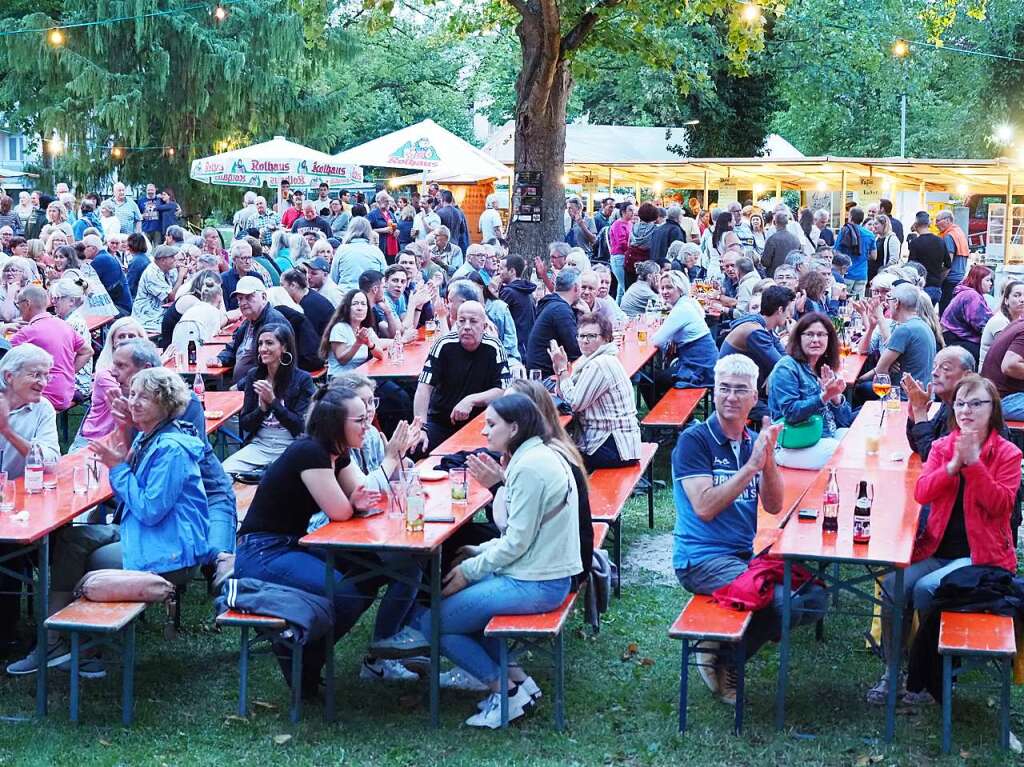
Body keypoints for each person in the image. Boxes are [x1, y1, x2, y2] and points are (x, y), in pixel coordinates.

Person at [381, 393, 581, 727]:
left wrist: (469, 571)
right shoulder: (535, 456)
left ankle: (505, 692)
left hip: (539, 583)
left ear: (514, 428)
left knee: (435, 624)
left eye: (491, 424)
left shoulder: (530, 467)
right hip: (537, 573)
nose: (484, 432)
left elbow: (517, 541)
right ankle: (518, 682)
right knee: (455, 615)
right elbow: (523, 536)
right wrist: (481, 551)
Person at [8, 366, 209, 677]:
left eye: (145, 397)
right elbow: (130, 487)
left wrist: (117, 466)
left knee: (91, 560)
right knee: (70, 541)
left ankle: (82, 646)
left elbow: (149, 508)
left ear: (166, 404)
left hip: (171, 551)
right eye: (133, 395)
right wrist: (123, 436)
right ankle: (55, 641)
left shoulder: (171, 449)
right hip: (146, 533)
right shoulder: (152, 437)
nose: (135, 402)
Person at [234, 387, 418, 696]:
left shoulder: (337, 453)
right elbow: (342, 510)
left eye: (367, 417)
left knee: (376, 573)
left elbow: (366, 494)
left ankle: (338, 655)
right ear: (335, 423)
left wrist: (387, 469)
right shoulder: (310, 452)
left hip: (294, 543)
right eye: (359, 419)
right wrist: (388, 459)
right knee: (344, 593)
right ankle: (298, 656)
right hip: (263, 551)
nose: (367, 425)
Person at [674, 355, 827, 704]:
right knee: (781, 603)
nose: (730, 397)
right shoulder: (694, 441)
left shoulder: (753, 440)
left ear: (753, 397)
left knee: (815, 597)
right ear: (713, 393)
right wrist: (751, 467)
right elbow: (705, 507)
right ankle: (725, 659)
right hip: (700, 560)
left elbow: (774, 506)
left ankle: (721, 644)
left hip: (742, 555)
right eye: (723, 388)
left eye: (739, 390)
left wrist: (768, 460)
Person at [870, 375, 1021, 706]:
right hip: (937, 549)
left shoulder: (1007, 453)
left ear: (992, 408)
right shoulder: (942, 447)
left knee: (927, 589)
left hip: (982, 557)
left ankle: (932, 676)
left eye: (975, 403)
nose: (966, 410)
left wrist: (975, 465)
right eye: (961, 403)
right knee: (894, 584)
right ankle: (892, 673)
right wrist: (952, 465)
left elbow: (1001, 505)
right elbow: (923, 492)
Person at [0, 345, 62, 656]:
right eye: (35, 374)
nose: (43, 381)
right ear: (9, 376)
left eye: (46, 375)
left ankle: (8, 632)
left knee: (15, 548)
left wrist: (8, 432)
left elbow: (51, 462)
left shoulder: (42, 409)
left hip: (21, 505)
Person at [413, 301, 510, 452]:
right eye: (462, 321)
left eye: (473, 321)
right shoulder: (443, 344)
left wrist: (470, 400)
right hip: (441, 421)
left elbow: (503, 391)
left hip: (480, 424)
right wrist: (421, 428)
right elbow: (423, 388)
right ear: (455, 323)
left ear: (484, 327)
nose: (466, 327)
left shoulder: (494, 347)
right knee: (416, 446)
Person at [548, 312, 640, 471]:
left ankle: (575, 495)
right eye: (581, 336)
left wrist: (563, 370)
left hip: (615, 446)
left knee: (555, 458)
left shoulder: (601, 363)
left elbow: (574, 403)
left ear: (605, 338)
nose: (584, 341)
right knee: (557, 451)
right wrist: (559, 370)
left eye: (591, 336)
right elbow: (564, 395)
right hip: (614, 442)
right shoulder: (590, 360)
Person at [222, 324, 315, 474]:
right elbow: (245, 424)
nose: (263, 348)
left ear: (284, 347)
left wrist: (273, 403)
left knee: (277, 478)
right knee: (224, 473)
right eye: (260, 343)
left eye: (269, 343)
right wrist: (262, 409)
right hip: (260, 445)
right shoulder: (254, 375)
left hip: (290, 445)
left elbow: (300, 426)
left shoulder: (302, 379)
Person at [767, 311, 853, 469]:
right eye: (810, 334)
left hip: (823, 436)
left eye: (821, 335)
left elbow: (845, 421)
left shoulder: (824, 367)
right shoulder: (787, 367)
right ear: (799, 338)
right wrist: (824, 397)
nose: (815, 340)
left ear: (829, 339)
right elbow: (791, 413)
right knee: (842, 453)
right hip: (792, 444)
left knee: (857, 438)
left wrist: (835, 398)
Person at [9, 286, 92, 412]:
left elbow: (4, 353)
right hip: (66, 393)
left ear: (27, 304)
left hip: (45, 397)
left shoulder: (28, 332)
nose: (18, 309)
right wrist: (69, 372)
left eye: (18, 304)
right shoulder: (63, 325)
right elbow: (87, 351)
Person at [720, 285, 794, 418]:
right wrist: (794, 335)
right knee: (785, 416)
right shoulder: (755, 332)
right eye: (788, 310)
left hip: (746, 388)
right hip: (733, 395)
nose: (790, 315)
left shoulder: (763, 326)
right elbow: (783, 366)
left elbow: (784, 358)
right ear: (780, 310)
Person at [217, 277, 291, 386]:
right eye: (240, 298)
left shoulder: (273, 322)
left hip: (262, 389)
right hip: (242, 386)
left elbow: (271, 367)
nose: (243, 302)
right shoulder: (248, 322)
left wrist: (240, 386)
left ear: (264, 297)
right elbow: (234, 346)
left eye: (248, 297)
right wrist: (220, 359)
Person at [652, 270, 716, 390]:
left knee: (651, 381)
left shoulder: (681, 309)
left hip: (699, 369)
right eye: (662, 288)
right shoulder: (690, 302)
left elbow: (657, 341)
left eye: (669, 287)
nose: (664, 292)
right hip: (707, 363)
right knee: (659, 378)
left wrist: (668, 340)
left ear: (680, 289)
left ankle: (668, 408)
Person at [868, 284, 939, 391]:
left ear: (896, 303)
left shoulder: (905, 329)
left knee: (859, 390)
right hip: (925, 395)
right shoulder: (923, 325)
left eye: (889, 299)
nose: (887, 304)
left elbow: (880, 370)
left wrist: (858, 381)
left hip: (903, 397)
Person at [524, 269, 581, 378]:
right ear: (576, 288)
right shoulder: (561, 310)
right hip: (546, 378)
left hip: (536, 374)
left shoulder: (550, 303)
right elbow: (577, 351)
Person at [322, 288, 388, 379]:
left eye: (363, 304)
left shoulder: (366, 329)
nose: (360, 308)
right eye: (355, 304)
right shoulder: (339, 328)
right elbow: (342, 360)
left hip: (361, 378)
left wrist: (369, 343)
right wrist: (358, 343)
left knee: (398, 391)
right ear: (347, 308)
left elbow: (380, 355)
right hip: (340, 379)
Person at [939, 264, 992, 363]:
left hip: (950, 336)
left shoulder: (966, 293)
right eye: (987, 280)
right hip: (956, 339)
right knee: (991, 355)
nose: (990, 284)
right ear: (978, 280)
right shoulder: (971, 296)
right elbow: (983, 324)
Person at [131, 245, 186, 334]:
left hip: (159, 314)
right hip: (148, 319)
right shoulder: (152, 273)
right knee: (178, 328)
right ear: (163, 260)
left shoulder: (167, 270)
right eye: (172, 257)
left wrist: (185, 274)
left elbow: (178, 289)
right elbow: (173, 296)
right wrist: (181, 275)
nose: (175, 260)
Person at [331, 217, 387, 290]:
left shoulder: (342, 250)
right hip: (369, 294)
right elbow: (384, 277)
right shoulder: (376, 251)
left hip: (345, 294)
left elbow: (334, 278)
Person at [81, 234, 131, 316]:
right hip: (124, 306)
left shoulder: (100, 260)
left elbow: (84, 284)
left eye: (84, 248)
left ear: (93, 248)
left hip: (120, 309)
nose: (82, 251)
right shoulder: (106, 256)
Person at [980, 280, 1024, 366]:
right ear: (1006, 300)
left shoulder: (1018, 318)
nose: (1022, 300)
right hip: (992, 375)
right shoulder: (1000, 321)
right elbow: (1008, 357)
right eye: (1016, 295)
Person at [280, 267, 334, 338]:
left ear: (293, 285)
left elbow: (311, 338)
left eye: (282, 285)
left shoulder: (308, 305)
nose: (280, 289)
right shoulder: (309, 295)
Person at [835, 206, 876, 297]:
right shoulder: (870, 234)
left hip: (846, 272)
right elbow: (874, 256)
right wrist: (864, 255)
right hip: (862, 274)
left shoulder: (845, 231)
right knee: (858, 302)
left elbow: (836, 251)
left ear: (851, 217)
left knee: (843, 300)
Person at [936, 209, 970, 313]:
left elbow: (948, 262)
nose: (936, 224)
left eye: (938, 221)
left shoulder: (949, 236)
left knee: (945, 310)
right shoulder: (959, 232)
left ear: (947, 220)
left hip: (949, 279)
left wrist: (940, 279)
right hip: (959, 277)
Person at [608, 203, 634, 301]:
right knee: (625, 287)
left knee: (621, 289)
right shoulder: (618, 224)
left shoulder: (630, 224)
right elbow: (622, 243)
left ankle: (618, 309)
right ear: (623, 212)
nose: (633, 213)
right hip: (619, 257)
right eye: (630, 210)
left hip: (625, 256)